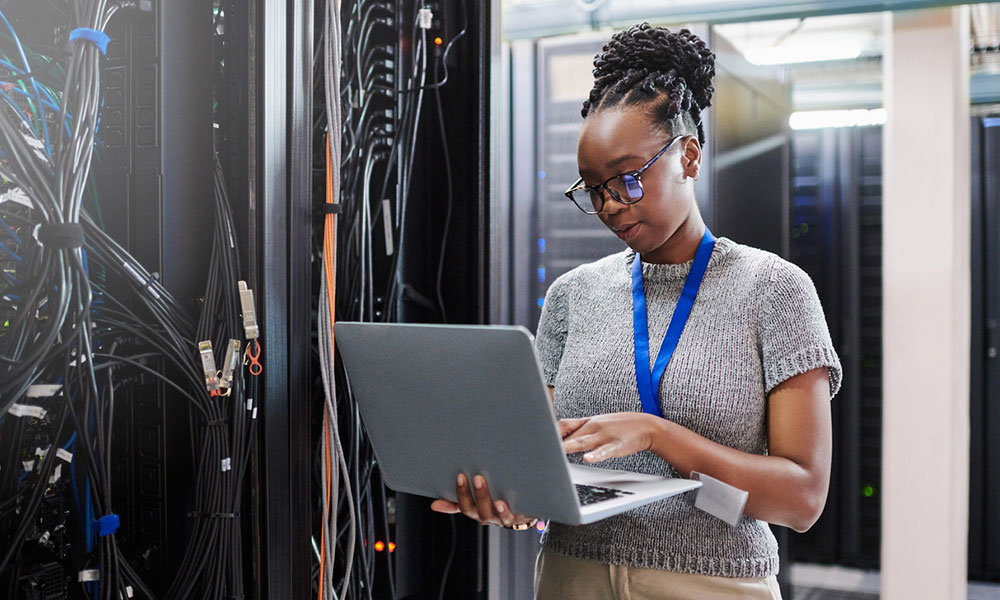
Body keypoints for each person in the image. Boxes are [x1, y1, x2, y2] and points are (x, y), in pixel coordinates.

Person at [431, 22, 841, 600]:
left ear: (689, 157)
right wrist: (513, 499)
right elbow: (547, 459)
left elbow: (802, 499)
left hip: (713, 585)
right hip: (571, 577)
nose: (609, 206)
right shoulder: (574, 296)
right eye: (594, 188)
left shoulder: (774, 290)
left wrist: (655, 435)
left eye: (627, 179)